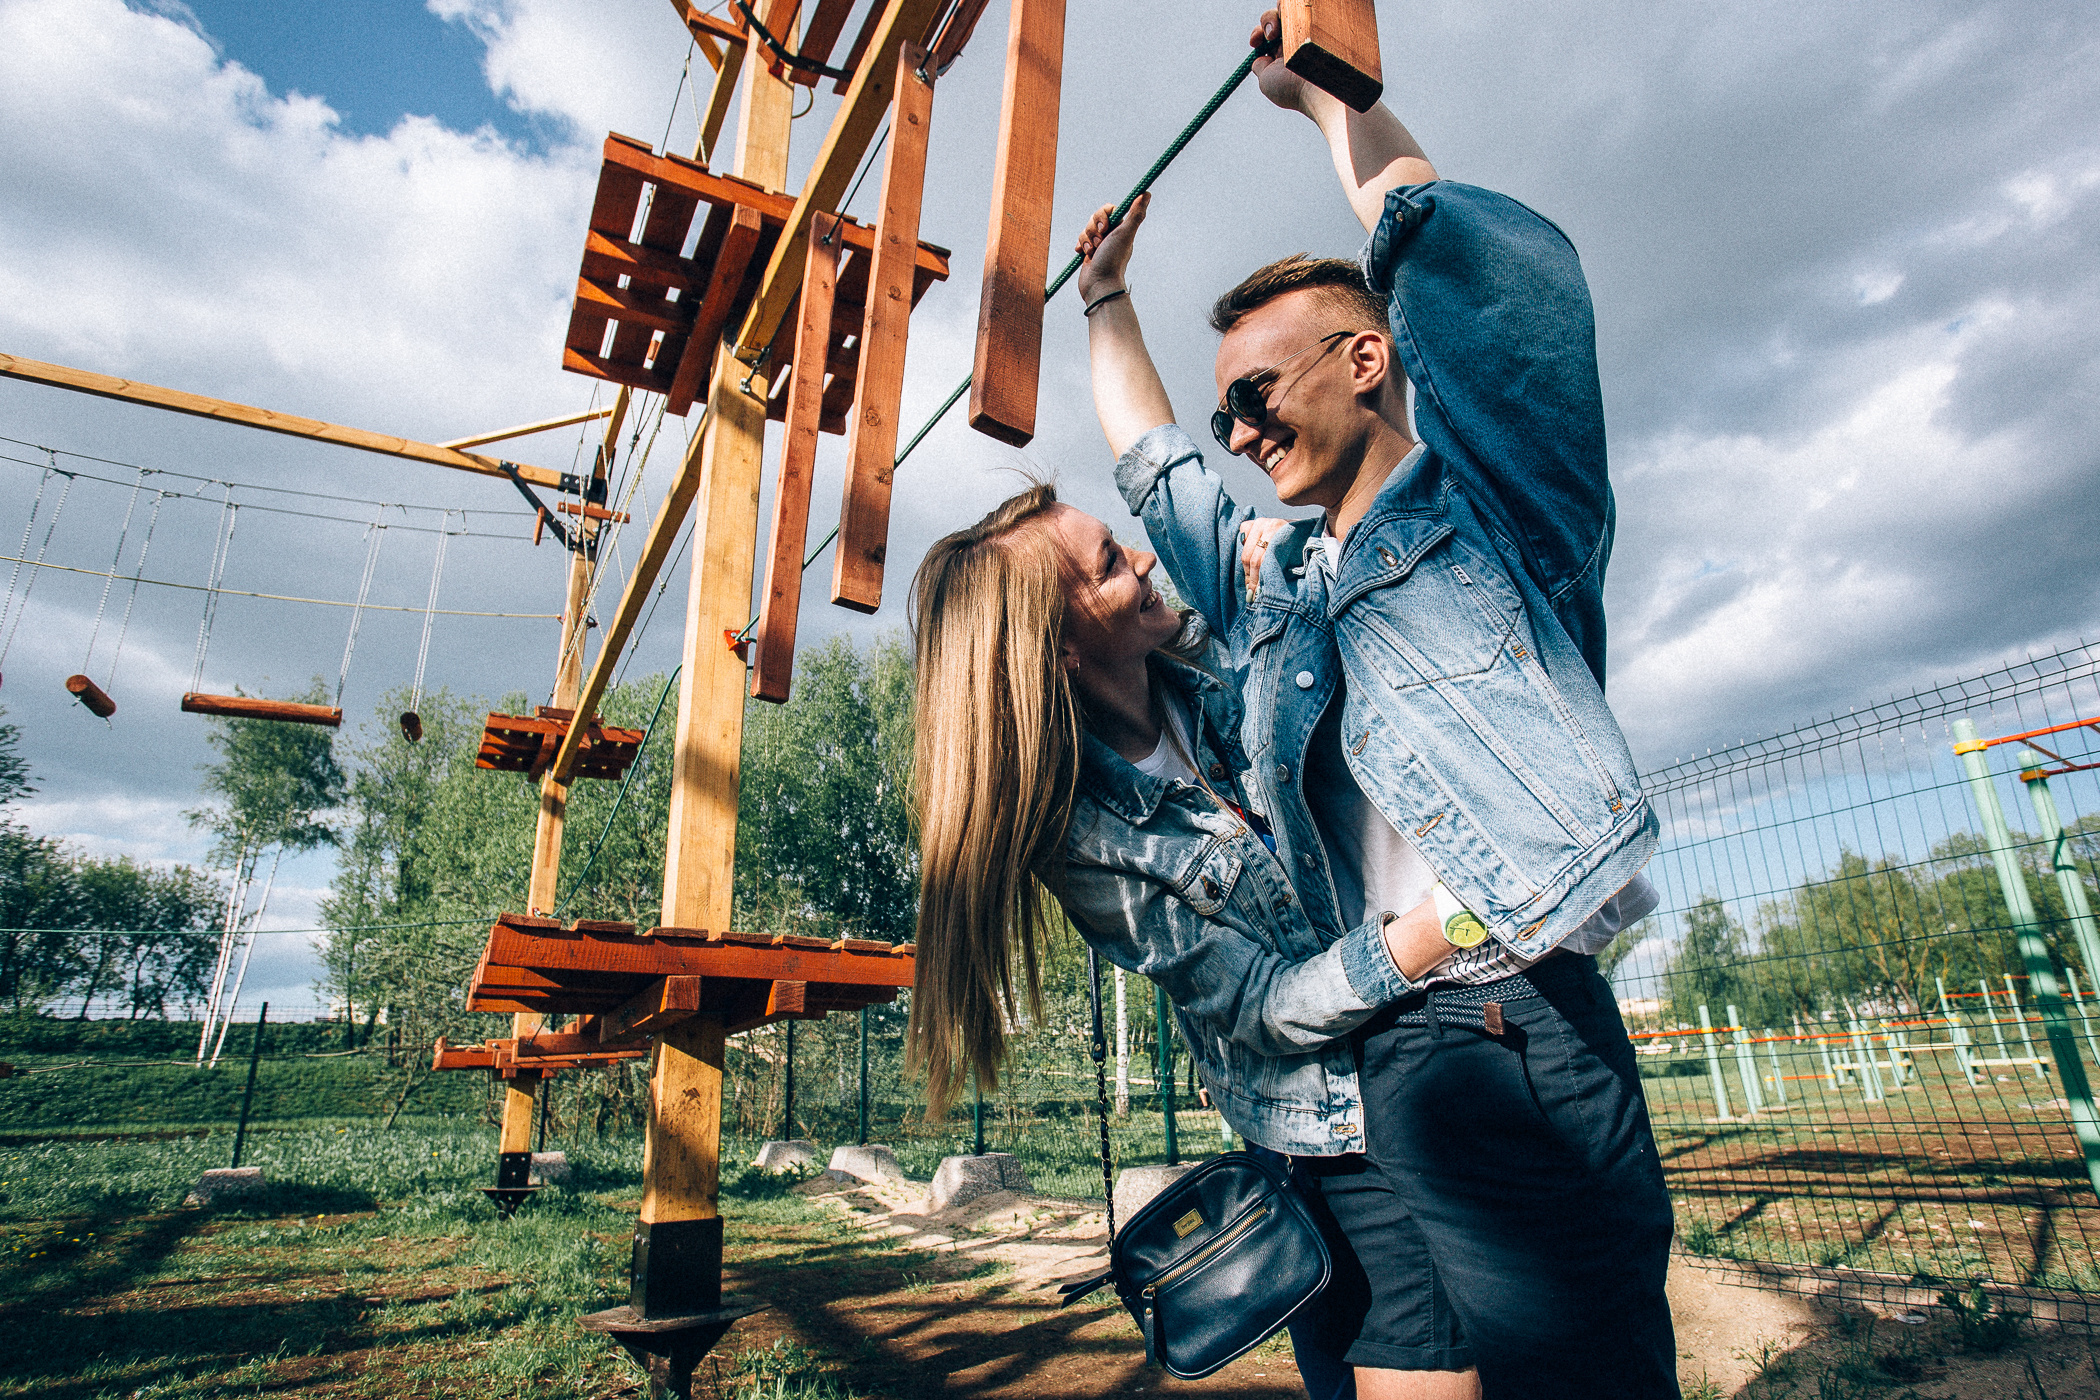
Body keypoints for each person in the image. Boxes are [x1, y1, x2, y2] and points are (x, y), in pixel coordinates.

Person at [1066, 11, 1680, 1399]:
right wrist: (1105, 299)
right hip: (1400, 1059)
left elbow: (1471, 279)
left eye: (1256, 394)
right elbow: (1158, 476)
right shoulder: (1281, 598)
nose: (1236, 433)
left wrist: (1326, 98)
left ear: (1364, 361)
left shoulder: (1493, 514)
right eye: (1224, 411)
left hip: (1514, 1023)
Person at [903, 483, 1464, 1395]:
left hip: (1418, 1063)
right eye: (1111, 565)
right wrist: (1444, 923)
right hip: (1326, 1123)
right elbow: (1260, 1004)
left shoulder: (1209, 660)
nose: (1147, 559)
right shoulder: (1085, 841)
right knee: (1399, 1350)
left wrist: (1289, 587)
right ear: (1066, 652)